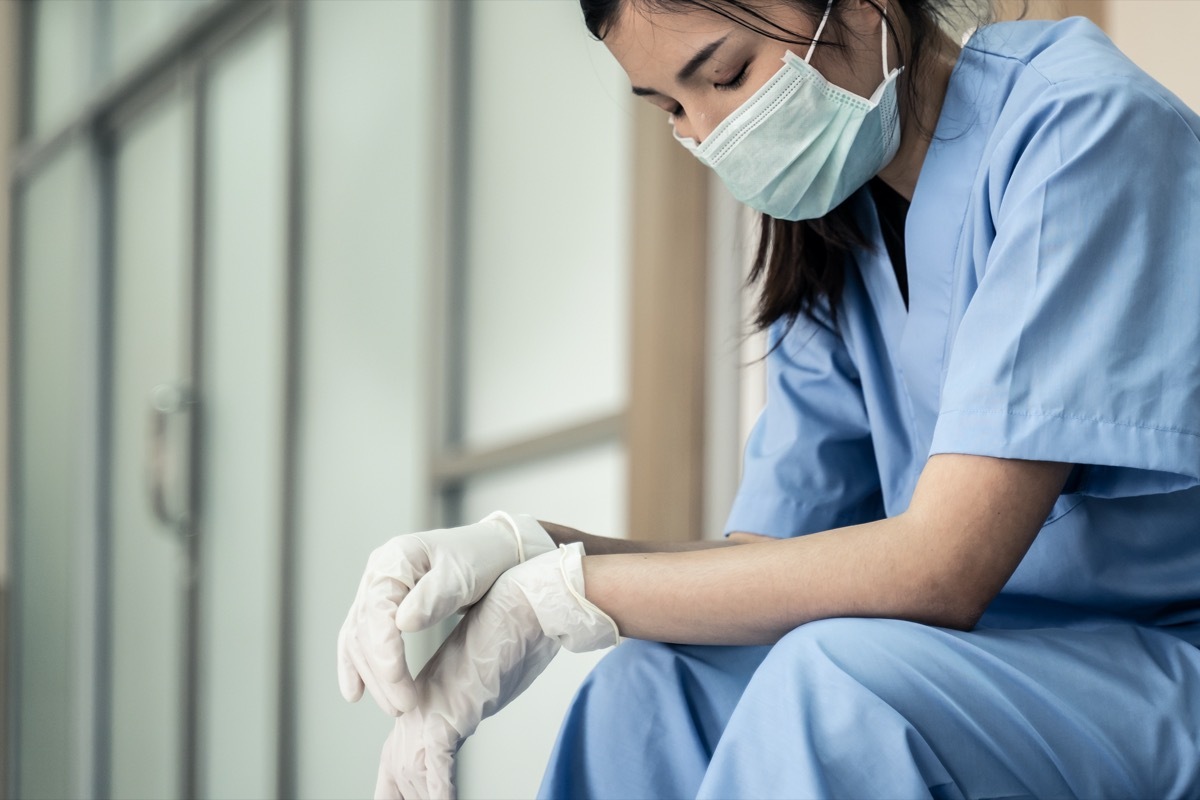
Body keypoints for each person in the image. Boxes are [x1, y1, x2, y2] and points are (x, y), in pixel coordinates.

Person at [337, 0, 1200, 796]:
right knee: (653, 686)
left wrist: (564, 597)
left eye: (725, 75)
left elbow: (945, 568)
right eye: (670, 108)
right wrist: (529, 550)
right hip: (979, 662)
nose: (711, 134)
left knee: (832, 685)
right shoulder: (840, 222)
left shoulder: (1079, 129)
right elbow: (768, 553)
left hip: (1155, 667)